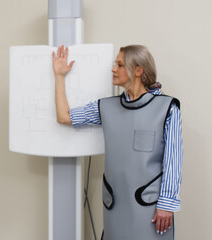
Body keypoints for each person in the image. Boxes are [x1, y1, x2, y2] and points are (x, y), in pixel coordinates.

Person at [52, 45, 182, 240]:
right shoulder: (106, 107)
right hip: (115, 204)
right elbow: (64, 116)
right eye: (115, 64)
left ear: (138, 70)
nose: (113, 69)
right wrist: (59, 76)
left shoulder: (167, 108)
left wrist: (167, 203)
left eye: (120, 65)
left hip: (150, 207)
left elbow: (173, 160)